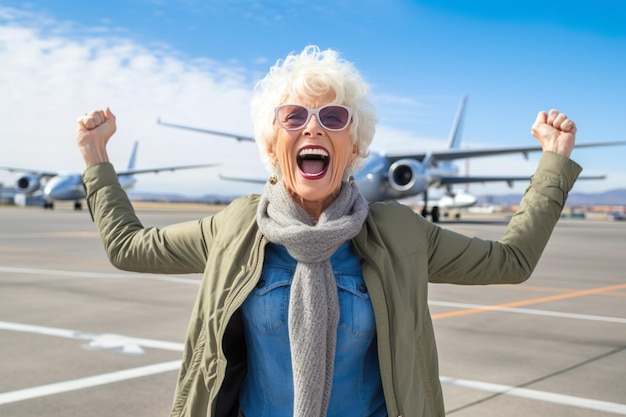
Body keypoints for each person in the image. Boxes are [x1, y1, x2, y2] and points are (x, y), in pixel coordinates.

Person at [76, 45, 581, 417]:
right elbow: (128, 248)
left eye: (333, 117)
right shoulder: (235, 227)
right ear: (272, 145)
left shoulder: (399, 233)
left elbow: (511, 262)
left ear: (355, 146)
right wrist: (96, 158)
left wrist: (553, 164)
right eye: (294, 116)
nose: (313, 127)